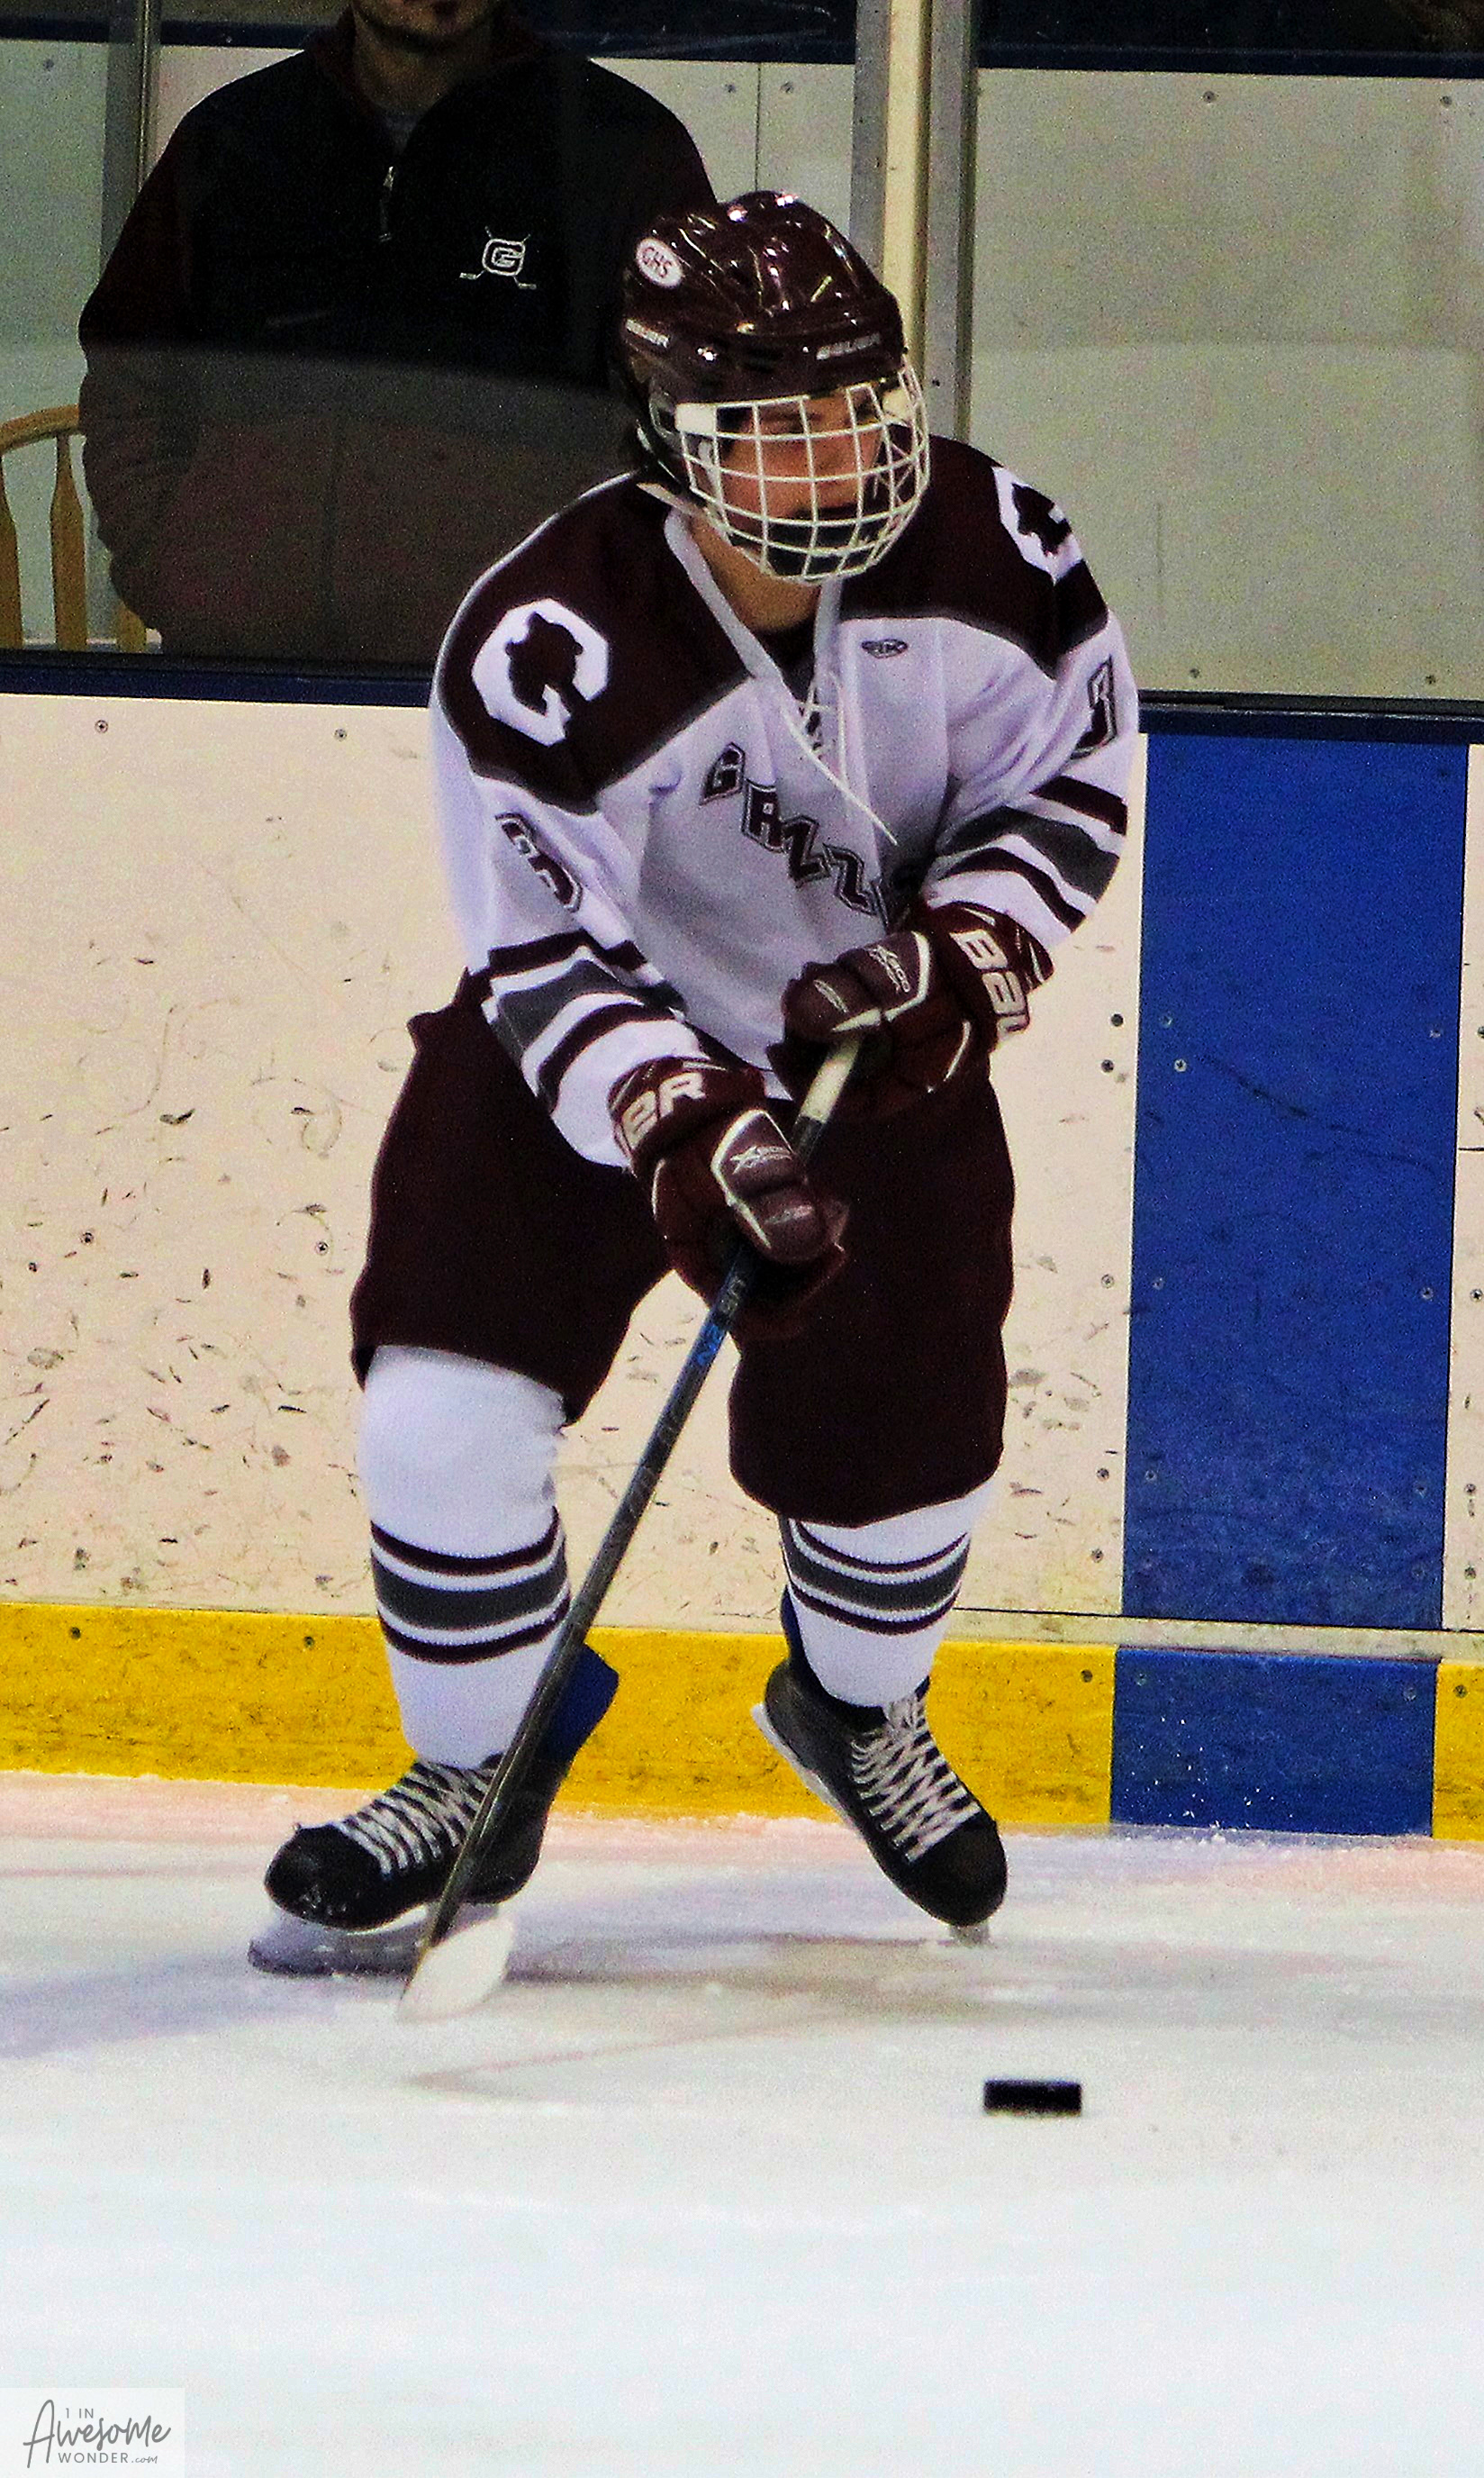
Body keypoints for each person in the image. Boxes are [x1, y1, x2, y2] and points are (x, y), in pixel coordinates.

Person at [252, 188, 1136, 1968]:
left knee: (907, 1468)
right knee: (438, 1408)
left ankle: (854, 1709)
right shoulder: (547, 640)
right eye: (773, 428)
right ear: (667, 442)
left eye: (858, 410)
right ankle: (475, 1761)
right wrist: (675, 1120)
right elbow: (541, 952)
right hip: (582, 1066)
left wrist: (963, 959)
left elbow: (1071, 781)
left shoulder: (1004, 555)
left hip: (868, 1061)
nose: (834, 462)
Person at [77, 0, 712, 665]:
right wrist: (182, 574)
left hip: (522, 693)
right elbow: (131, 383)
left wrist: (587, 615)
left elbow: (694, 422)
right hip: (232, 685)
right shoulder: (230, 140)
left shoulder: (624, 148)